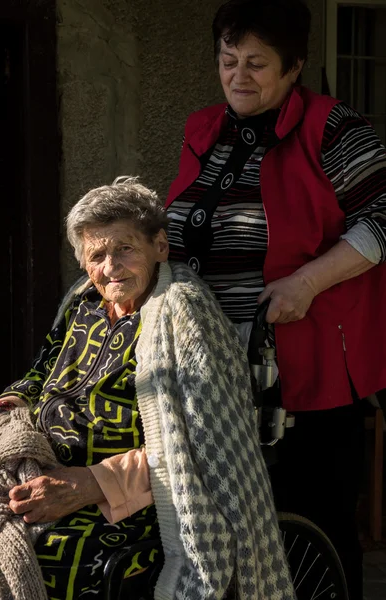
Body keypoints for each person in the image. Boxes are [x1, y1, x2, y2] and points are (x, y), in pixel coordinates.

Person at [0, 178, 295, 600]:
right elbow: (39, 374)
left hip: (133, 500)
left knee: (51, 558)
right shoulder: (81, 303)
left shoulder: (183, 316)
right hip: (43, 470)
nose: (111, 267)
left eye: (125, 248)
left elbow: (201, 451)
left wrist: (93, 483)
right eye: (97, 255)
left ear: (160, 247)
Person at [165, 1, 386, 599]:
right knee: (232, 527)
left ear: (294, 68)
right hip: (214, 363)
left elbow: (383, 220)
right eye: (228, 59)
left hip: (303, 361)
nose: (239, 75)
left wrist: (307, 281)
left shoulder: (333, 127)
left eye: (258, 63)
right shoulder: (203, 130)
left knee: (313, 516)